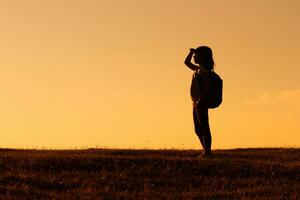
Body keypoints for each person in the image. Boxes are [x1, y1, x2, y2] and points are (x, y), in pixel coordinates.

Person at [184, 46, 215, 157]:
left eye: (196, 55)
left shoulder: (202, 71)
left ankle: (207, 152)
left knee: (203, 126)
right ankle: (206, 150)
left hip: (200, 102)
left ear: (202, 57)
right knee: (198, 128)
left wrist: (201, 99)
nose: (193, 57)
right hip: (196, 102)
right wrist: (191, 52)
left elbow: (208, 85)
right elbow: (186, 62)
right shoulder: (198, 69)